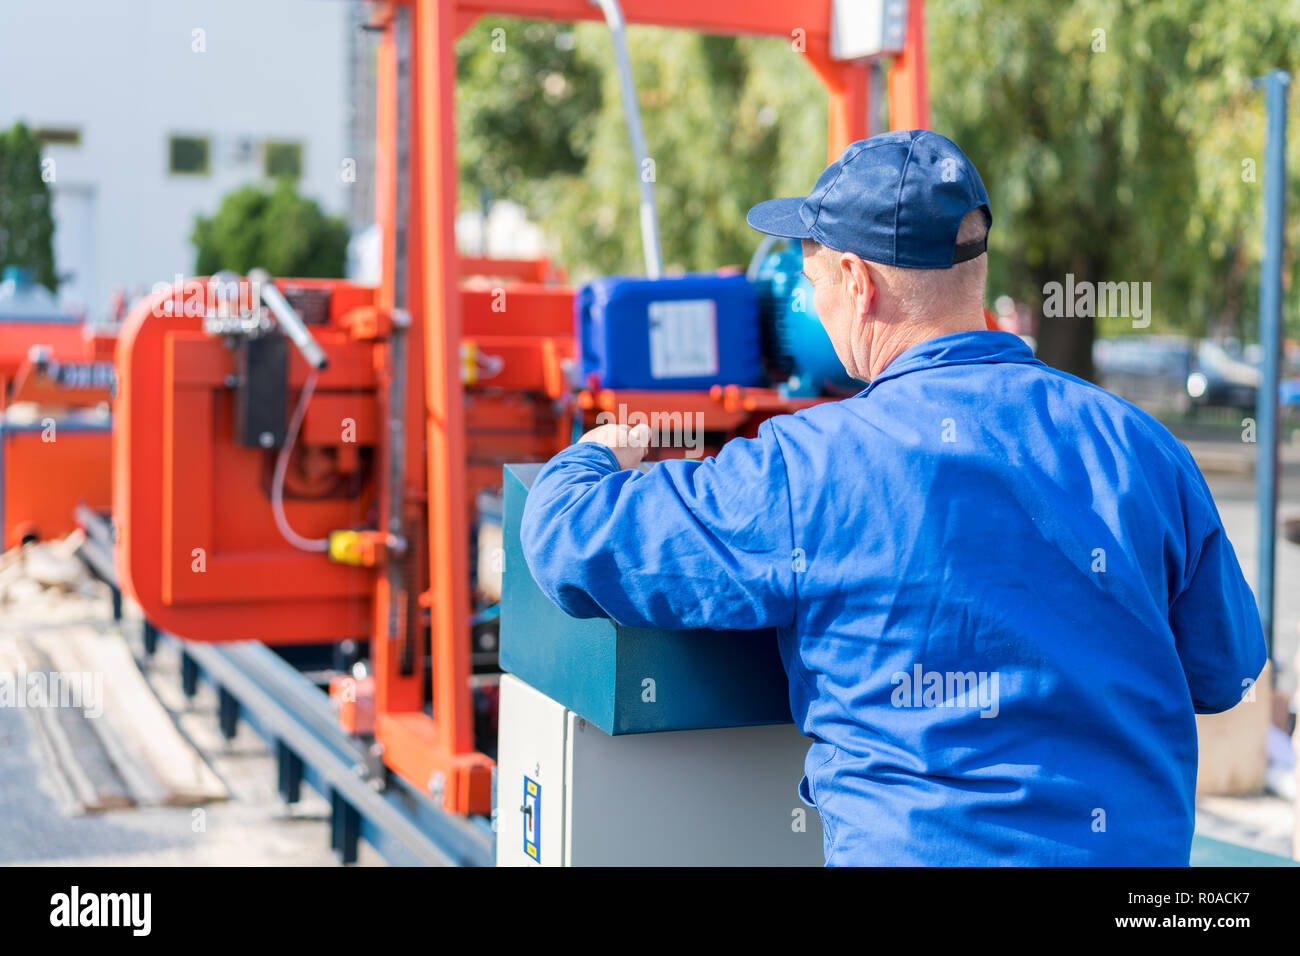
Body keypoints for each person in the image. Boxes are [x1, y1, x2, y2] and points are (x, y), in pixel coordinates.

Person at [520, 129, 1267, 865]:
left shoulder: (811, 468)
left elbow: (571, 540)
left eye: (814, 290)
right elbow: (1222, 671)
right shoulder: (1141, 446)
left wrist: (592, 456)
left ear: (858, 282)